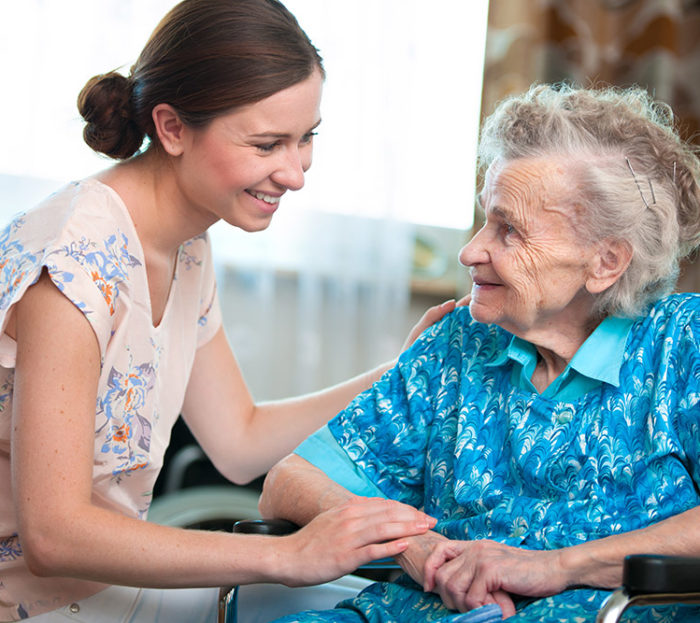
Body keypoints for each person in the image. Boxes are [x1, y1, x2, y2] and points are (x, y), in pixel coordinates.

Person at [0, 1, 456, 620]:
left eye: (307, 137)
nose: (294, 174)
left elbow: (239, 440)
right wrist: (290, 555)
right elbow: (54, 537)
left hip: (98, 595)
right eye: (268, 143)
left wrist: (401, 370)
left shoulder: (186, 240)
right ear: (173, 128)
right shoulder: (74, 262)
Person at [259, 82, 700, 622]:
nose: (472, 251)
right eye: (485, 219)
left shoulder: (682, 345)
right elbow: (288, 482)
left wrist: (558, 566)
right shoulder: (460, 340)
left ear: (605, 262)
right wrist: (410, 546)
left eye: (509, 230)